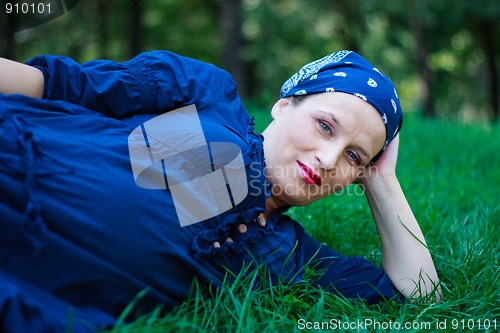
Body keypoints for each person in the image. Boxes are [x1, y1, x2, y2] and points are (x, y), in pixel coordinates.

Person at [0, 50, 440, 332]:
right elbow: (57, 84)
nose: (328, 159)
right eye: (325, 126)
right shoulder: (211, 98)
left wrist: (383, 181)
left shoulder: (287, 255)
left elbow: (421, 297)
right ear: (285, 104)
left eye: (353, 158)